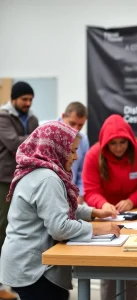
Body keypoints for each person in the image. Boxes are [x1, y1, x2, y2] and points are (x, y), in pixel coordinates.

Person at [0, 121, 120, 300]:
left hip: (24, 262)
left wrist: (93, 212)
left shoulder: (37, 170)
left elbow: (54, 207)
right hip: (34, 268)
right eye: (71, 151)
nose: (76, 157)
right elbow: (59, 227)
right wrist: (97, 228)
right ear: (56, 149)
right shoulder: (48, 179)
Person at [82, 114, 137, 300]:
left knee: (133, 265)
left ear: (130, 139)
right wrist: (102, 203)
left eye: (123, 142)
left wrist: (132, 200)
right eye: (113, 144)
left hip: (136, 216)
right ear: (105, 144)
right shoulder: (93, 155)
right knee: (109, 268)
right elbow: (90, 191)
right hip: (106, 216)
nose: (119, 148)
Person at [0, 81, 39, 300]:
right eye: (24, 99)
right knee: (2, 229)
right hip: (4, 180)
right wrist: (35, 139)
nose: (27, 103)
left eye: (30, 99)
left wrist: (33, 140)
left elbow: (29, 144)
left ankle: (16, 283)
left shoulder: (32, 118)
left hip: (24, 178)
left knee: (21, 229)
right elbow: (15, 144)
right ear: (14, 98)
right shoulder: (2, 117)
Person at [60, 102, 90, 204]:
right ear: (63, 116)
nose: (76, 129)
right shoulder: (46, 131)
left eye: (80, 125)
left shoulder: (83, 140)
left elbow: (82, 172)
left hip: (72, 196)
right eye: (72, 123)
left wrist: (80, 195)